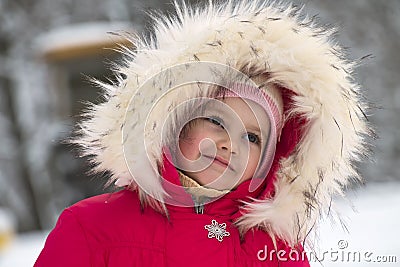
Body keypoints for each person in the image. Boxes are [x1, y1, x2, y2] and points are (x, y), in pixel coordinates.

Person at [34, 1, 372, 266]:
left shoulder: (275, 247)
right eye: (218, 122)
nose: (230, 143)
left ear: (273, 158)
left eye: (253, 138)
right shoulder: (91, 227)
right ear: (176, 121)